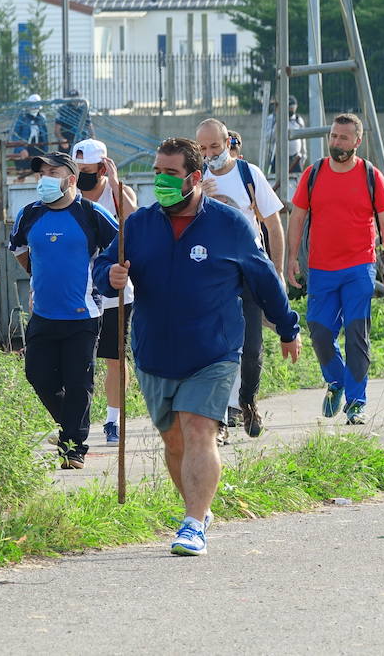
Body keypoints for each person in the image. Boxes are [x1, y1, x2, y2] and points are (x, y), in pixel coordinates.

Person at [93, 138, 300, 556]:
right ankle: (197, 507)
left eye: (170, 173)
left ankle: (192, 525)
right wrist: (108, 276)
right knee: (174, 441)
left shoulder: (229, 226)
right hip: (155, 352)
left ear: (195, 176)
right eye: (157, 172)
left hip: (214, 351)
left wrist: (287, 327)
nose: (161, 181)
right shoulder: (139, 224)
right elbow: (103, 267)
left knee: (198, 429)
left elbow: (263, 280)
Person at [287, 114, 384, 427]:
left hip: (359, 267)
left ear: (357, 141)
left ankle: (356, 403)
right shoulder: (314, 174)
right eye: (333, 136)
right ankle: (336, 380)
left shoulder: (370, 175)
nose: (336, 142)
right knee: (319, 332)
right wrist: (291, 258)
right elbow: (297, 218)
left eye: (343, 138)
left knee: (356, 335)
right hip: (321, 269)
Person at [10, 151, 119, 468]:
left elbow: (122, 244)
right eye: (40, 172)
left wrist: (108, 275)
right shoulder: (28, 214)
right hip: (42, 313)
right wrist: (38, 276)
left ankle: (74, 449)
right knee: (38, 376)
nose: (42, 178)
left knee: (78, 383)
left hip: (83, 315)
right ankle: (70, 427)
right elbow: (18, 248)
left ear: (71, 179)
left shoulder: (90, 214)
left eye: (51, 172)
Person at [196, 118, 286, 441]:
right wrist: (195, 199)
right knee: (217, 347)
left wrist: (276, 272)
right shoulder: (197, 180)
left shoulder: (249, 175)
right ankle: (220, 419)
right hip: (213, 276)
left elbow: (274, 226)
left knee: (250, 350)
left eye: (215, 147)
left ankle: (247, 400)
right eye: (203, 149)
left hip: (249, 269)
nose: (209, 154)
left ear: (228, 143)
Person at [71, 138, 137, 446]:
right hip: (77, 293)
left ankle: (113, 421)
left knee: (114, 357)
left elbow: (136, 223)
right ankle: (73, 422)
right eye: (78, 169)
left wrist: (114, 184)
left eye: (88, 169)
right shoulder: (68, 198)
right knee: (76, 359)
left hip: (114, 292)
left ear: (102, 166)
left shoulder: (117, 195)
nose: (83, 174)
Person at [11, 95, 50, 178]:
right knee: (21, 175)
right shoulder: (22, 118)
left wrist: (45, 152)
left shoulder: (42, 118)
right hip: (25, 149)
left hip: (38, 150)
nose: (34, 108)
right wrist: (20, 149)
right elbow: (14, 135)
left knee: (40, 175)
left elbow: (45, 137)